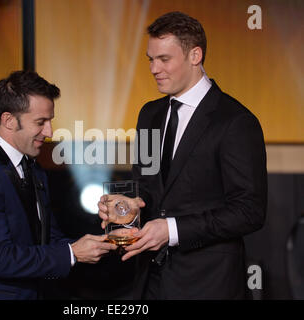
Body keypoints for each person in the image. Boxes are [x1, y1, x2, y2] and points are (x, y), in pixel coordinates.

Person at [98, 11, 267, 299]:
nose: (154, 68)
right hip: (148, 279)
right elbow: (147, 188)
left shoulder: (235, 121)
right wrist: (129, 207)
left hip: (209, 284)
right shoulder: (149, 114)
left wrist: (172, 230)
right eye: (150, 59)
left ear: (195, 55)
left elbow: (249, 211)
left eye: (164, 59)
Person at [0, 70, 116, 300]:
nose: (50, 132)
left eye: (50, 121)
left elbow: (48, 240)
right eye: (40, 122)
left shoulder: (32, 168)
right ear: (8, 120)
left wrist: (98, 243)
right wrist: (72, 253)